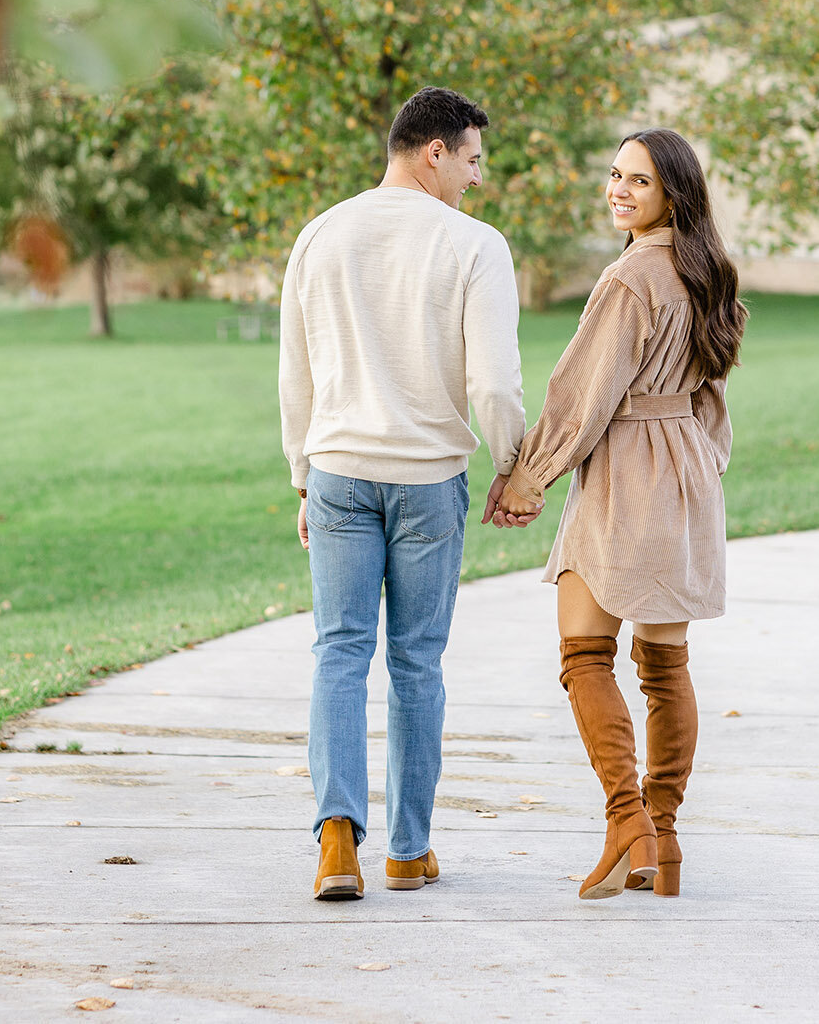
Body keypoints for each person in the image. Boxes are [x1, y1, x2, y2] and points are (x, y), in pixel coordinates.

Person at [279, 86, 537, 902]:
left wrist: (301, 474)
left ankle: (334, 844)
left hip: (338, 474)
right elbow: (494, 382)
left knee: (338, 652)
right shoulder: (474, 245)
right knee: (416, 663)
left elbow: (297, 373)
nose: (476, 178)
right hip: (428, 482)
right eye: (472, 159)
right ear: (435, 151)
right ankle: (406, 849)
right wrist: (513, 464)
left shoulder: (320, 234)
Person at [493, 128, 746, 900]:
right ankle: (661, 839)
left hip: (627, 474)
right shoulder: (707, 274)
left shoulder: (632, 278)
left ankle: (626, 819)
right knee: (665, 669)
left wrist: (527, 475)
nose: (618, 190)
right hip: (686, 477)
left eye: (637, 180)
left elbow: (582, 394)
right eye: (613, 175)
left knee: (584, 656)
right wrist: (700, 466)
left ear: (673, 192)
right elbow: (710, 400)